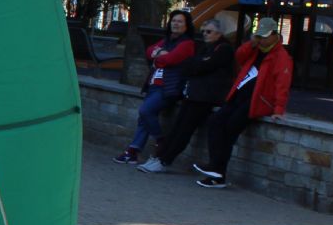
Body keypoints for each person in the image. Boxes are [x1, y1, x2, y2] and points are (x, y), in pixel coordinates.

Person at [193, 16, 293, 189]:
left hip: (258, 100)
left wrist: (278, 109)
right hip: (240, 95)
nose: (261, 40)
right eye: (259, 36)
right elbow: (239, 57)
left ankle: (217, 170)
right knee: (215, 121)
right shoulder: (255, 49)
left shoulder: (282, 57)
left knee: (231, 127)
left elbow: (282, 84)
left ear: (275, 35)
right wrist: (250, 44)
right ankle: (216, 170)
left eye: (264, 37)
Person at [137, 17, 233, 173]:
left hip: (206, 97)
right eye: (203, 31)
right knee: (177, 127)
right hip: (194, 94)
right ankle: (160, 157)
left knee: (184, 130)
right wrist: (197, 65)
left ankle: (165, 160)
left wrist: (197, 65)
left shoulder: (224, 49)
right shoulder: (205, 48)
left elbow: (203, 66)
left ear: (219, 33)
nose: (205, 34)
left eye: (209, 31)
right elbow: (189, 65)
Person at [115, 10, 194, 164]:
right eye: (174, 20)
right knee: (144, 118)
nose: (175, 24)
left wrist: (158, 57)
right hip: (153, 86)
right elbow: (149, 51)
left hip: (168, 88)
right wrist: (161, 54)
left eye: (180, 21)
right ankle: (133, 151)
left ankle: (160, 141)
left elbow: (170, 59)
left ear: (186, 25)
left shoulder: (187, 44)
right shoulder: (167, 41)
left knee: (145, 111)